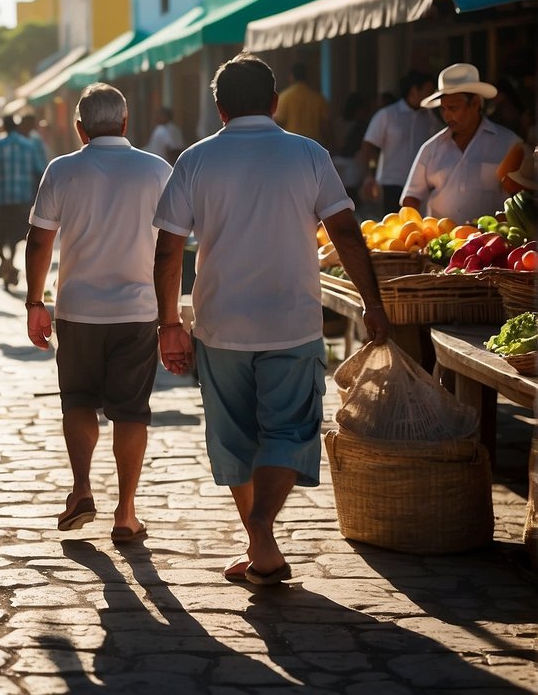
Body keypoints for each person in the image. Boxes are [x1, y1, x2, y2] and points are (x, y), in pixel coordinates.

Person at [153, 52, 388, 586]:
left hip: (220, 324)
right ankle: (262, 531)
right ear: (276, 102)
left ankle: (261, 543)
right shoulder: (307, 153)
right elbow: (347, 232)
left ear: (219, 108)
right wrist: (373, 303)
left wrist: (170, 321)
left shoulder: (194, 160)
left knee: (236, 439)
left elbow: (168, 251)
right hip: (293, 320)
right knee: (289, 428)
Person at [25, 83, 171, 543]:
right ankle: (125, 514)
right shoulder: (156, 170)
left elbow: (39, 240)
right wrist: (171, 317)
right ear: (126, 124)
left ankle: (82, 490)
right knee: (131, 412)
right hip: (137, 310)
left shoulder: (63, 169)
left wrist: (35, 301)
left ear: (79, 127)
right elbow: (173, 246)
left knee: (78, 401)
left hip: (78, 310)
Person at [402, 63, 520, 223]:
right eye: (443, 109)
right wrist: (415, 231)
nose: (447, 115)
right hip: (440, 242)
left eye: (453, 108)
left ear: (475, 104)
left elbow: (523, 197)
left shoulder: (509, 143)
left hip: (491, 243)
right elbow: (411, 197)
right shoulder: (430, 148)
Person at [357, 71, 441, 211]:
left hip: (420, 186)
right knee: (391, 228)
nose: (432, 95)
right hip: (391, 183)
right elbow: (368, 146)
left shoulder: (431, 118)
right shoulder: (387, 115)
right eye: (429, 91)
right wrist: (369, 175)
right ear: (414, 91)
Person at [0, 114, 47, 289]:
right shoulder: (29, 145)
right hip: (22, 198)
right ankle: (10, 261)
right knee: (15, 235)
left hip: (3, 197)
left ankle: (4, 261)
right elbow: (39, 170)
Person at [274, 61, 329, 147]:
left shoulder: (284, 97)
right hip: (314, 144)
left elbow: (279, 121)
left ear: (291, 77)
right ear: (307, 76)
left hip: (292, 143)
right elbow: (325, 126)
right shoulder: (318, 98)